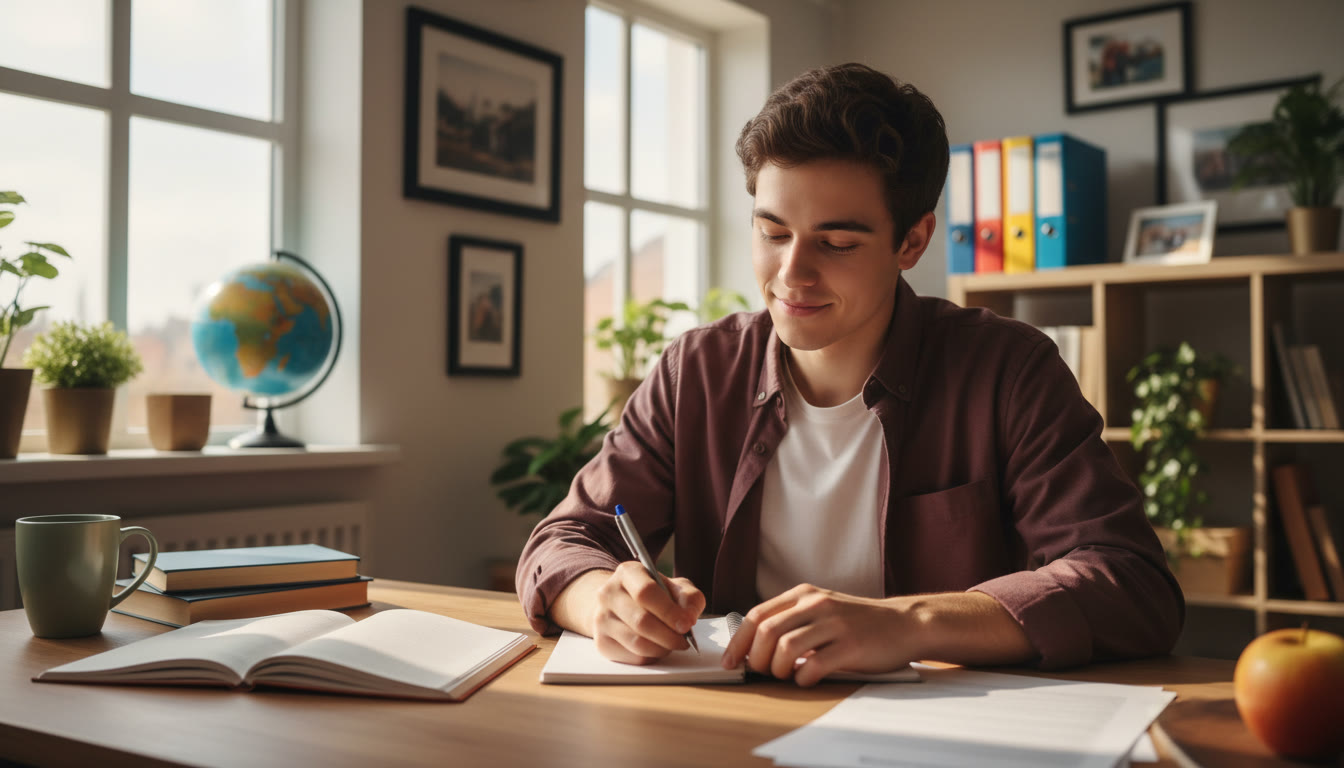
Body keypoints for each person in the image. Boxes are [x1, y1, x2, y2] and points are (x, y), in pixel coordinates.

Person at [516, 63, 1183, 686]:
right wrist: (601, 600)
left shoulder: (1008, 370)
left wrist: (909, 622)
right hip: (729, 725)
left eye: (836, 243)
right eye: (773, 233)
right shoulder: (696, 371)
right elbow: (565, 541)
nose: (791, 275)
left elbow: (1131, 583)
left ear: (913, 242)